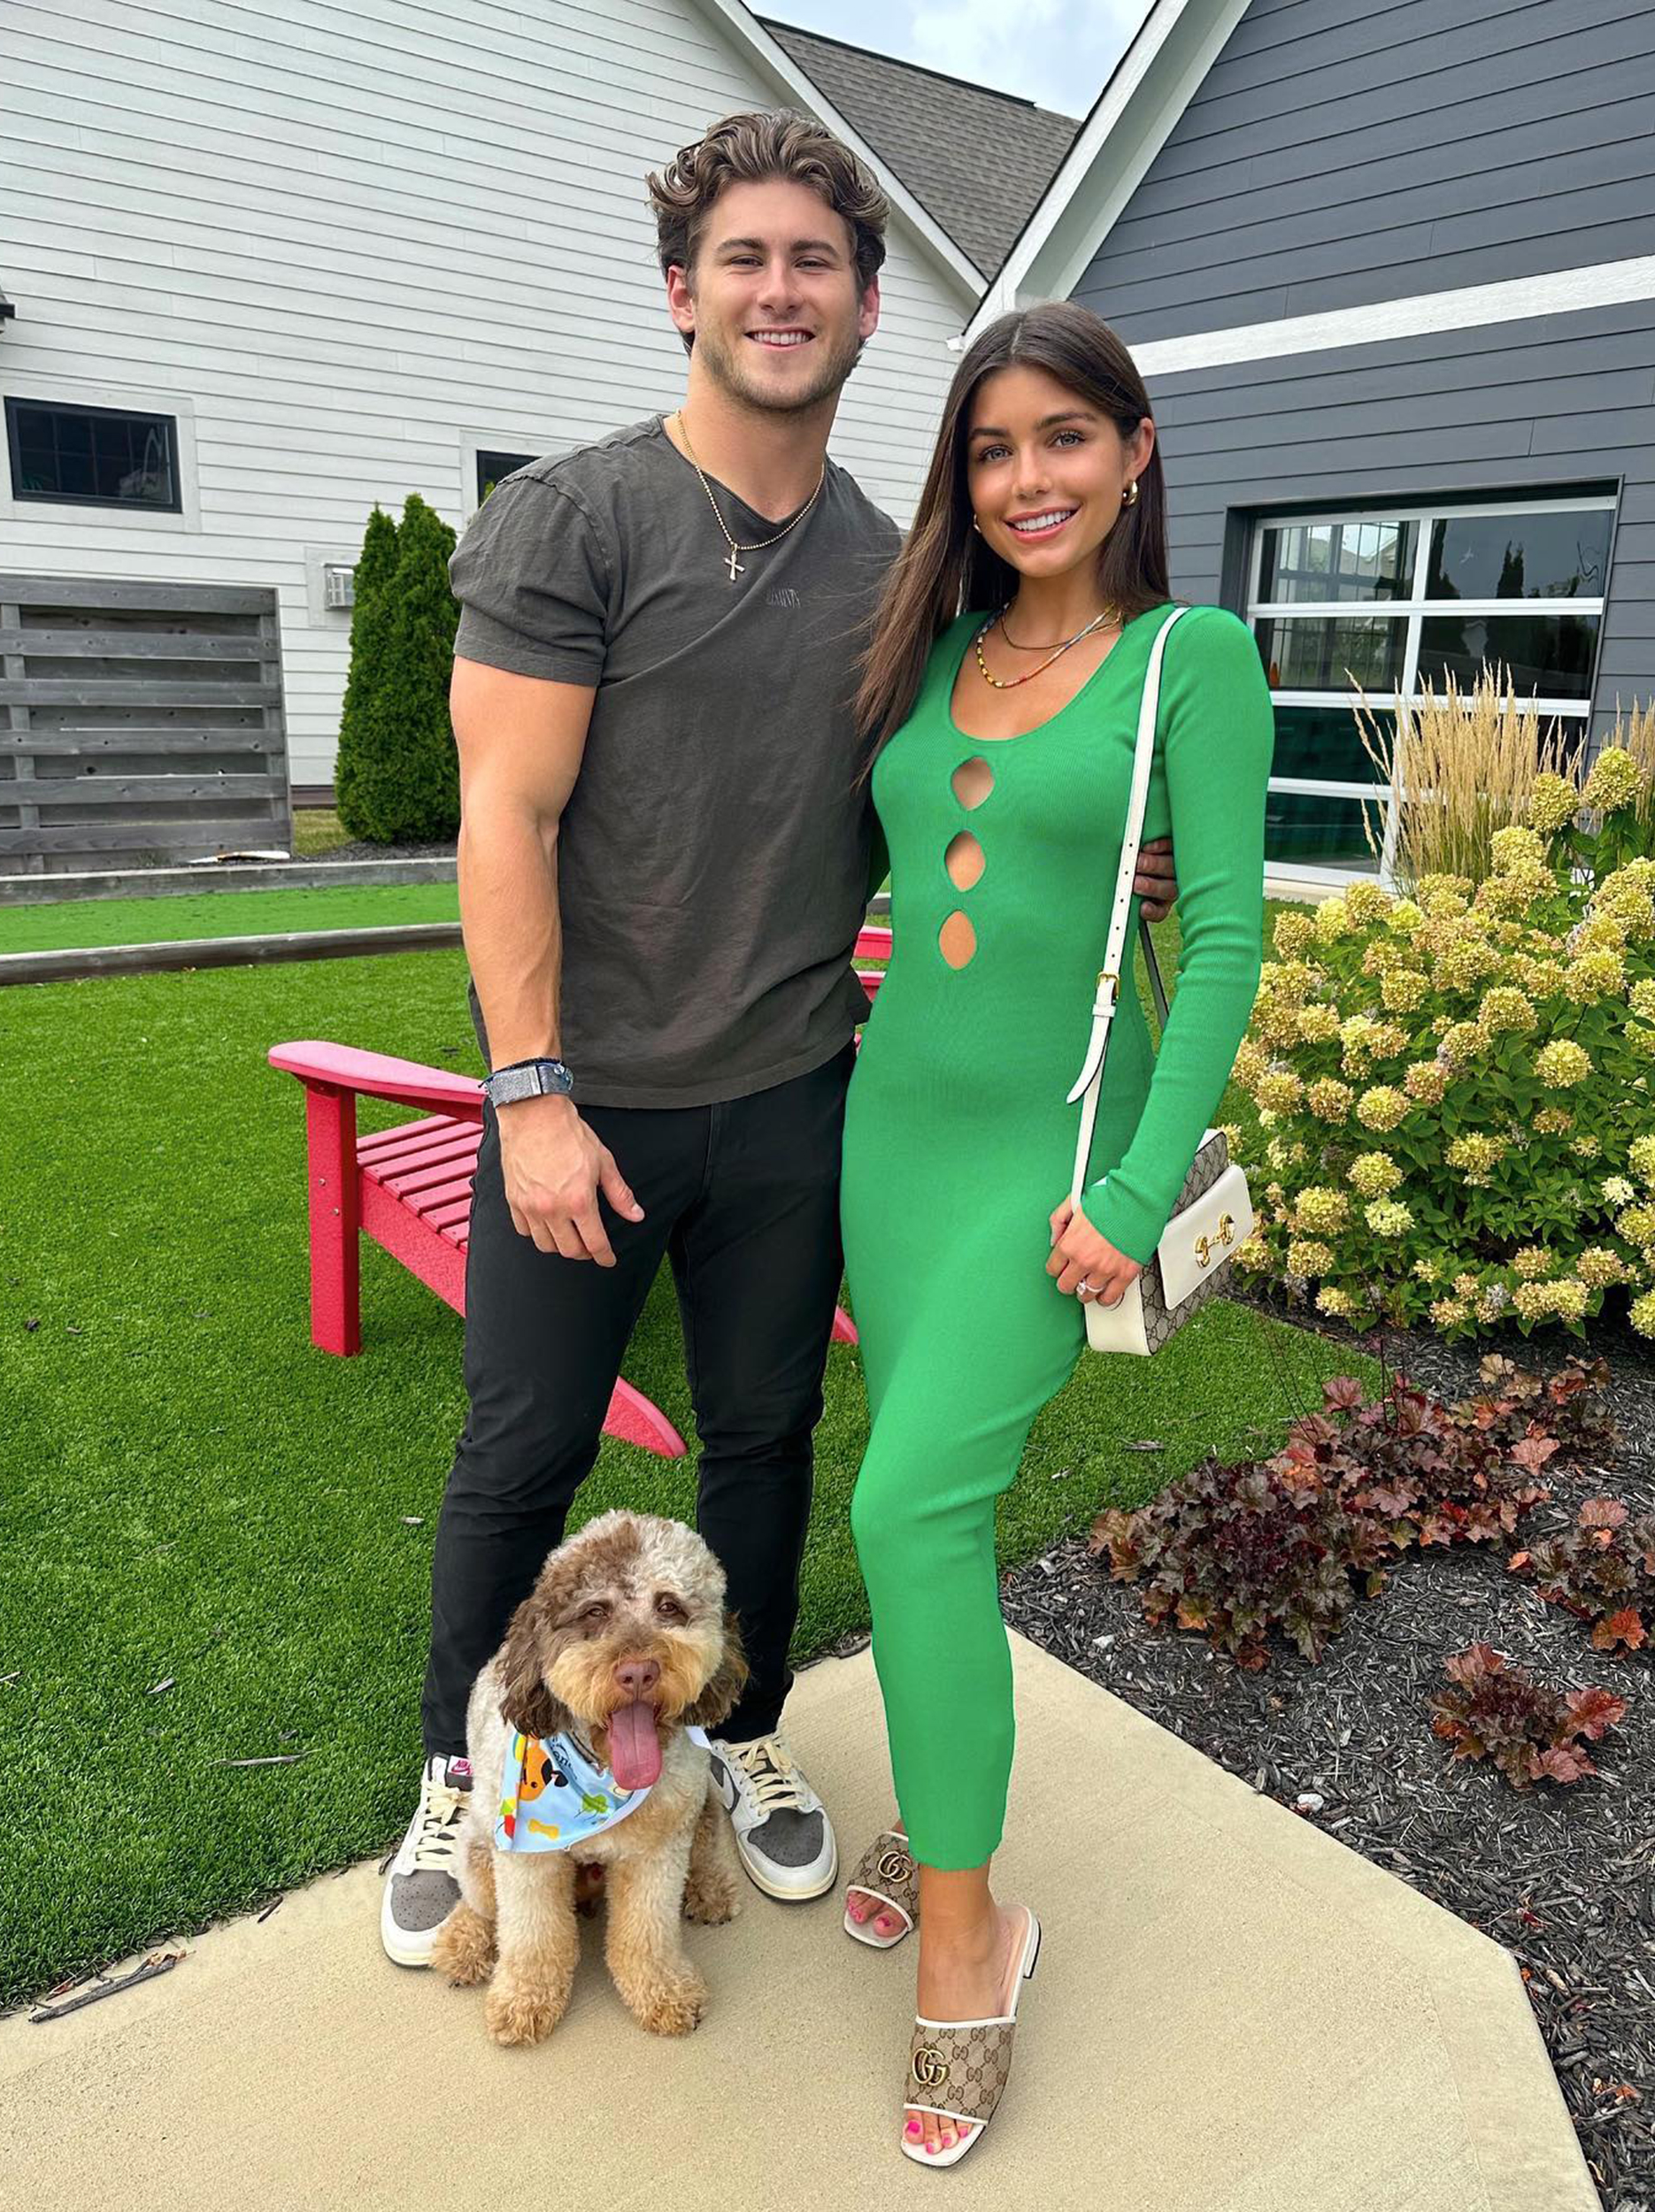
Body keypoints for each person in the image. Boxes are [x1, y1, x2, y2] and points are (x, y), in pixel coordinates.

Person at [378, 106, 1188, 1966]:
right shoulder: (571, 519)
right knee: (522, 1445)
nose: (777, 288)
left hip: (800, 1093)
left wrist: (1103, 828)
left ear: (864, 302)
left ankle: (729, 1739)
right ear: (681, 290)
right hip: (583, 1102)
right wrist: (527, 1096)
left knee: (767, 1429)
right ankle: (467, 1762)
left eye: (813, 259)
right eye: (741, 257)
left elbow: (989, 742)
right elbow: (500, 815)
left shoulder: (902, 573)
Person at [837, 300, 1274, 2164]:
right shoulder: (924, 648)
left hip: (1044, 1163)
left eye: (1065, 439)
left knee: (903, 1508)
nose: (1027, 478)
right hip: (889, 1141)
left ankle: (968, 1932)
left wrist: (1120, 1186)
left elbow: (1231, 945)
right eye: (995, 446)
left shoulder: (1196, 660)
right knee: (919, 1507)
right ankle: (945, 1805)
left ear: (1134, 451)